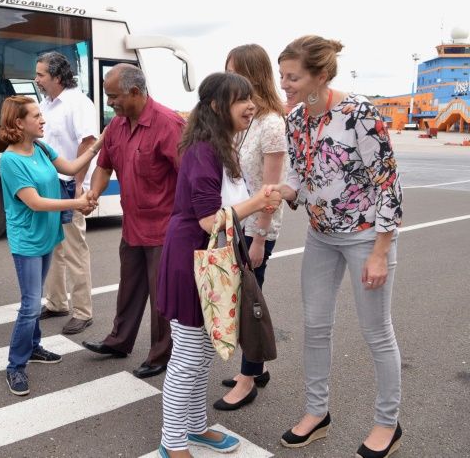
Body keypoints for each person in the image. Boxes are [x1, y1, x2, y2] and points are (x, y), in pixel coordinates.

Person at [269, 35, 403, 458]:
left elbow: (388, 183)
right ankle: (317, 413)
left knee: (376, 333)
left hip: (366, 236)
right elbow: (298, 174)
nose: (284, 85)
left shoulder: (358, 112)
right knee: (315, 327)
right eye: (282, 76)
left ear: (320, 76)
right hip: (320, 236)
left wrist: (381, 251)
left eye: (293, 77)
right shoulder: (295, 120)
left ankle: (387, 423)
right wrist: (281, 192)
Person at [156, 72, 280, 457]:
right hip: (195, 260)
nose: (250, 105)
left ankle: (195, 427)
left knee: (205, 352)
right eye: (240, 99)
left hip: (214, 260)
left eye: (251, 98)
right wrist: (258, 202)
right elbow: (209, 219)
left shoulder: (221, 146)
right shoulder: (203, 150)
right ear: (215, 106)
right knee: (189, 358)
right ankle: (172, 441)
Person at [82, 64, 182, 379]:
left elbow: (188, 176)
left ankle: (161, 354)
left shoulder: (168, 124)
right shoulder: (116, 126)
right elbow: (104, 165)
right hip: (133, 224)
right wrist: (93, 194)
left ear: (135, 92)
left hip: (164, 227)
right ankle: (118, 341)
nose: (110, 103)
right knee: (130, 287)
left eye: (113, 96)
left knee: (161, 296)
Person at [0, 95, 102, 396]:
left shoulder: (41, 147)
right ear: (19, 123)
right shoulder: (11, 160)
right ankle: (15, 366)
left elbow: (70, 168)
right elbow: (35, 202)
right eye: (36, 116)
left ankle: (33, 347)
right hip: (27, 240)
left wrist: (98, 145)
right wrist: (78, 203)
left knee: (34, 299)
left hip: (46, 235)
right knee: (30, 305)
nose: (43, 120)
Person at [213, 44, 289, 411]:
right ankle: (255, 368)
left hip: (256, 228)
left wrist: (260, 237)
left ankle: (248, 378)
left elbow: (270, 190)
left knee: (249, 301)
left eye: (234, 72)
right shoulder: (246, 119)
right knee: (243, 297)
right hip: (237, 222)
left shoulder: (272, 123)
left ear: (251, 74)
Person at [35, 52, 98, 335]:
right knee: (53, 246)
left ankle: (83, 311)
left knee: (74, 248)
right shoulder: (46, 104)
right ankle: (57, 301)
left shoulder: (77, 103)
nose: (36, 80)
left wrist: (79, 183)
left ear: (57, 77)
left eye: (40, 75)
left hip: (67, 182)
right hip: (48, 183)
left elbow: (87, 142)